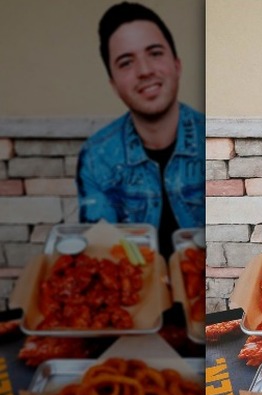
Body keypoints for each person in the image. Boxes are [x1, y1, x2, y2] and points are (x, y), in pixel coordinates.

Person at [77, 1, 205, 259]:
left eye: (155, 53)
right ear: (113, 83)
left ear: (177, 64)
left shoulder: (209, 141)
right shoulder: (96, 157)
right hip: (134, 289)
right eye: (126, 62)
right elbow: (102, 254)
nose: (145, 71)